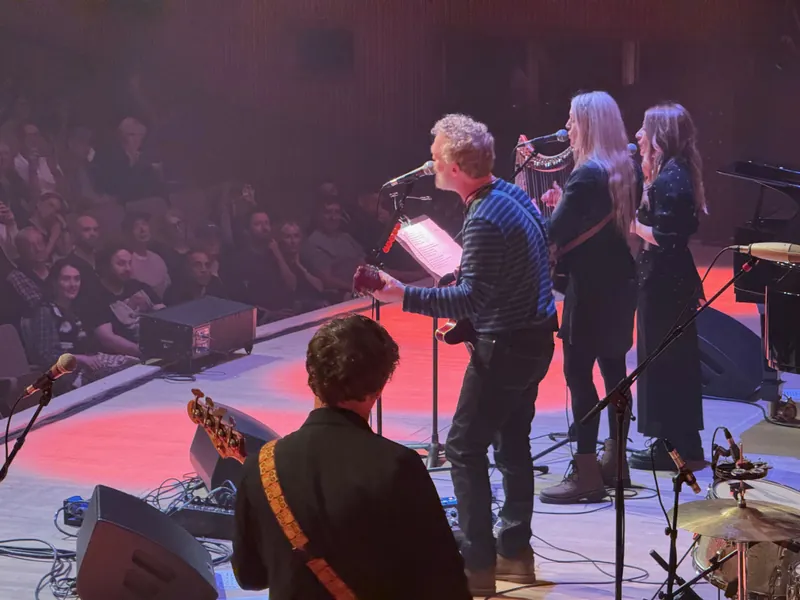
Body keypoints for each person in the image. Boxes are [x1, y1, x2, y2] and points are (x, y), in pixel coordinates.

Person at [370, 113, 557, 595]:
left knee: (463, 447)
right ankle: (515, 553)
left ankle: (477, 566)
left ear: (454, 164)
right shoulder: (512, 195)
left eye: (435, 156)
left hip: (506, 347)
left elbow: (469, 299)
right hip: (535, 340)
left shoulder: (483, 218)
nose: (429, 162)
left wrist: (398, 294)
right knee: (513, 444)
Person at [232, 314, 470, 599]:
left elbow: (250, 576)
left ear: (310, 377)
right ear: (379, 388)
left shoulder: (261, 464)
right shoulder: (396, 466)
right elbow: (445, 583)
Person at [538, 91, 641, 504]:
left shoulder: (585, 175)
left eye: (572, 120)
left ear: (589, 125)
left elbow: (554, 233)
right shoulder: (625, 167)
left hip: (588, 289)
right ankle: (616, 461)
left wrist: (541, 210)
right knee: (615, 370)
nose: (566, 127)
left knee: (578, 378)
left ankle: (584, 472)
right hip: (620, 285)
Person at [629, 103, 707, 471]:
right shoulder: (674, 172)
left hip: (664, 282)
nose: (638, 135)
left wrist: (633, 225)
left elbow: (667, 236)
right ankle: (681, 443)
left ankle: (668, 447)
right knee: (672, 363)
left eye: (644, 129)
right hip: (668, 280)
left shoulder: (671, 178)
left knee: (662, 364)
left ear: (659, 136)